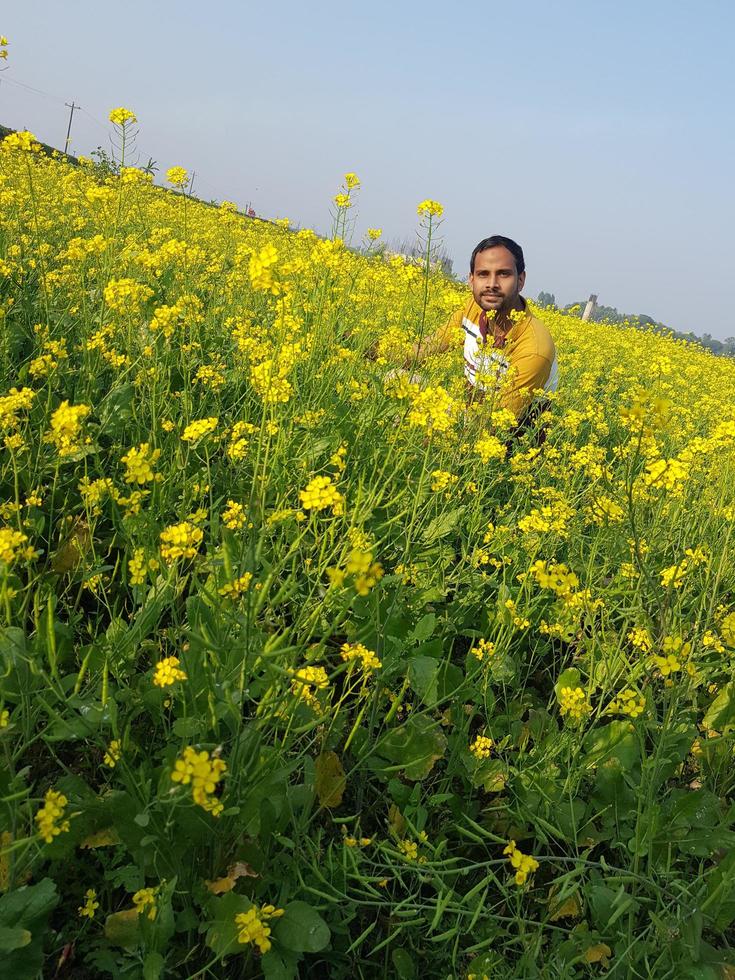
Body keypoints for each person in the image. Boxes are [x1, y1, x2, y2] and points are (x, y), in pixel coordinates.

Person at [411, 235, 558, 438]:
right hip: (468, 417)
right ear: (471, 280)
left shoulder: (535, 348)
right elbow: (427, 348)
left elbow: (497, 421)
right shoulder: (471, 307)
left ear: (521, 280)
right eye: (483, 274)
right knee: (397, 380)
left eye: (503, 274)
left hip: (505, 446)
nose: (492, 284)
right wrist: (361, 347)